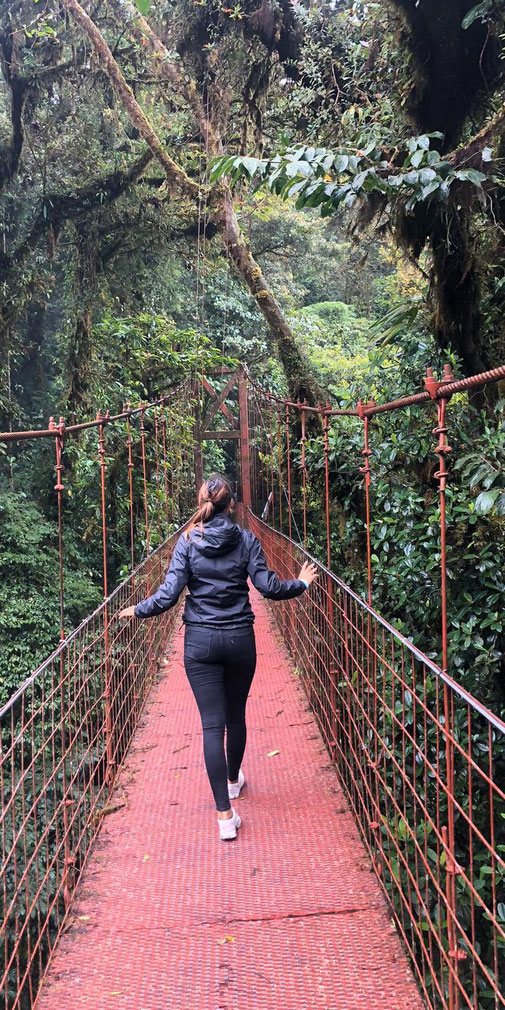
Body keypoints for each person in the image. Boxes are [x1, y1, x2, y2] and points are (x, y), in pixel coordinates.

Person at [119, 473, 318, 841]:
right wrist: (302, 583)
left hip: (201, 643)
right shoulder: (246, 540)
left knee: (212, 726)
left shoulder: (187, 542)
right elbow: (268, 588)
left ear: (203, 503)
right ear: (232, 505)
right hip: (240, 639)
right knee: (236, 714)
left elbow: (168, 595)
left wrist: (138, 609)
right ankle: (231, 781)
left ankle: (225, 817)